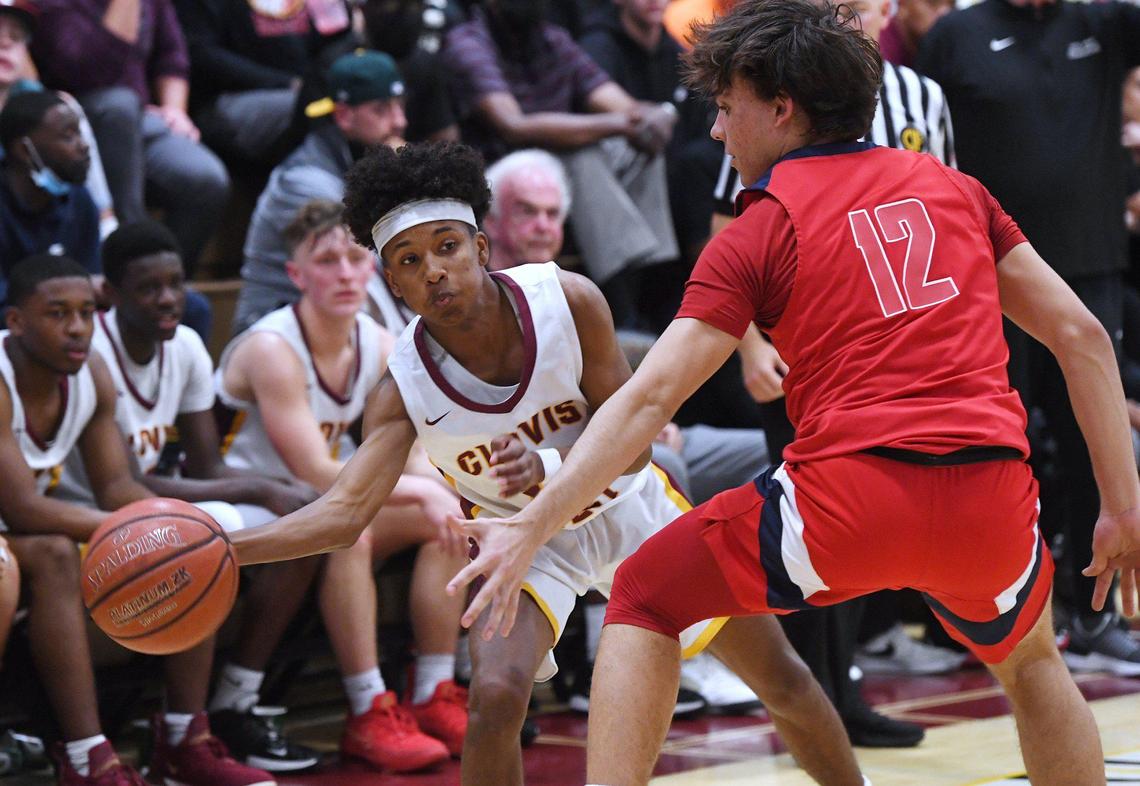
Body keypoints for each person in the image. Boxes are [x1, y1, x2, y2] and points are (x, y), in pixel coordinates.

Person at [448, 2, 1140, 784]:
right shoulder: (956, 187)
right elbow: (1083, 337)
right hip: (989, 498)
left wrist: (533, 524)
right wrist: (1121, 507)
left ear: (781, 109)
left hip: (850, 499)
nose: (715, 131)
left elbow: (648, 401)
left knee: (642, 593)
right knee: (1034, 663)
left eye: (725, 108)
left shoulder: (759, 226)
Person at [223, 139, 867, 786]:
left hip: (630, 510)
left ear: (480, 247)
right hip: (524, 545)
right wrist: (224, 552)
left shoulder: (568, 301)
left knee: (780, 677)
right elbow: (342, 515)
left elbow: (637, 445)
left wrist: (547, 465)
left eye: (447, 247)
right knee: (495, 697)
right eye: (410, 261)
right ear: (392, 282)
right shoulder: (402, 386)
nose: (434, 271)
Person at [48, 220, 322, 772]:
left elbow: (206, 464)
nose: (169, 298)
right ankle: (181, 735)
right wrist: (263, 486)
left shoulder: (189, 346)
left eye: (176, 283)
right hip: (90, 516)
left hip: (150, 512)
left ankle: (233, 701)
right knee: (202, 536)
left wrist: (277, 497)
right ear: (111, 293)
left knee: (304, 531)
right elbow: (129, 483)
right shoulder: (88, 351)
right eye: (150, 288)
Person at [917, 0, 1140, 675]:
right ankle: (988, 617)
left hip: (1090, 272)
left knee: (1088, 449)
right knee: (993, 450)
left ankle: (1093, 615)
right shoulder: (957, 36)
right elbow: (921, 146)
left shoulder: (1104, 24)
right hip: (989, 282)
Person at [0, 254, 275, 786]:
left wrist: (174, 530)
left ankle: (183, 739)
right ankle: (88, 758)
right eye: (58, 314)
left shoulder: (88, 372)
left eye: (85, 312)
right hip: (15, 527)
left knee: (187, 546)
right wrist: (138, 532)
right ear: (15, 321)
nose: (78, 328)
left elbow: (117, 486)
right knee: (58, 552)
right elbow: (22, 508)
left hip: (18, 532)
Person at [218, 198, 468, 773]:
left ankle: (433, 691)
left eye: (355, 260)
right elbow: (316, 470)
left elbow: (416, 449)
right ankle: (367, 709)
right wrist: (421, 490)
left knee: (447, 517)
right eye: (326, 261)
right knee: (347, 532)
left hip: (326, 503)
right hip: (248, 501)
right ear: (295, 275)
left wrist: (433, 488)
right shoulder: (272, 349)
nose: (345, 273)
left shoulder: (377, 340)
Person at [440, 0, 681, 330]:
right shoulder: (468, 42)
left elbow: (624, 107)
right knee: (585, 158)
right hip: (500, 164)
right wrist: (624, 123)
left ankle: (657, 282)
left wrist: (649, 119)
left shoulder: (553, 39)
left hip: (557, 158)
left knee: (640, 147)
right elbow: (513, 124)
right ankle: (621, 308)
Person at [29, 0, 230, 277]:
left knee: (205, 179)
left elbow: (171, 57)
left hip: (140, 117)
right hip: (78, 118)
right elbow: (93, 71)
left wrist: (175, 109)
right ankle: (128, 259)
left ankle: (164, 281)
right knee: (118, 106)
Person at [233, 49, 407, 335]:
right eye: (381, 109)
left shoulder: (358, 164)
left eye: (401, 106)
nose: (400, 121)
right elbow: (373, 260)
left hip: (335, 320)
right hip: (273, 327)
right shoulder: (302, 182)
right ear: (343, 115)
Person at [0, 92, 99, 307]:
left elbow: (90, 279)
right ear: (25, 151)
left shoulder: (80, 200)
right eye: (68, 135)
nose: (84, 145)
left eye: (80, 134)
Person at [877, 0, 953, 68]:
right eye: (933, 2)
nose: (945, 12)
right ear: (903, 3)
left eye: (952, 4)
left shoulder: (943, 49)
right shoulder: (879, 47)